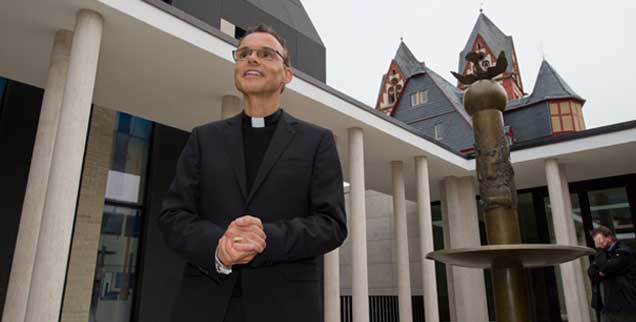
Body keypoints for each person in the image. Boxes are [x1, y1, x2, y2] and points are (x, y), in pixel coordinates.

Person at [158, 24, 347, 322]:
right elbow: (173, 216)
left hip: (286, 308)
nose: (252, 59)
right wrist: (219, 247)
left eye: (266, 54)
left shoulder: (317, 142)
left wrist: (265, 238)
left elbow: (331, 224)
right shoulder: (203, 139)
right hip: (204, 305)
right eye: (244, 53)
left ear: (286, 74)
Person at [587, 225, 636, 322]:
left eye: (599, 240)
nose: (597, 243)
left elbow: (605, 268)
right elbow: (591, 272)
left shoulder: (623, 252)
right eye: (595, 241)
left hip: (624, 306)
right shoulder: (602, 255)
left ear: (608, 238)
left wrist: (600, 250)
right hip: (606, 307)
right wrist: (602, 271)